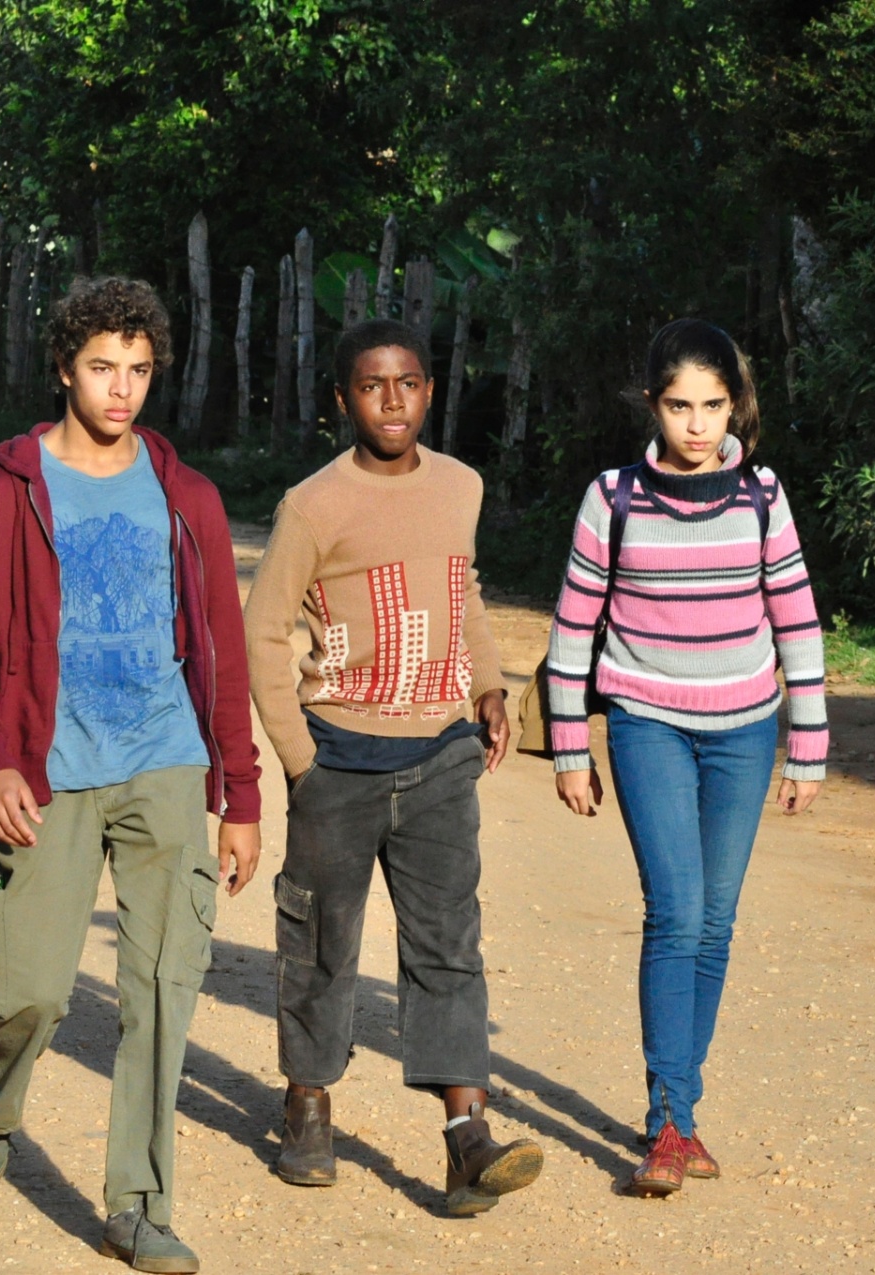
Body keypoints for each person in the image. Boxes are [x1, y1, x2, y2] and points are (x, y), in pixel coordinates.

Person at [0, 276, 262, 1274]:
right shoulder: (6, 492)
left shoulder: (187, 498)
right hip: (50, 770)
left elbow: (225, 652)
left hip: (165, 760)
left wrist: (240, 795)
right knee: (31, 991)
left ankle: (138, 1206)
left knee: (165, 988)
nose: (121, 390)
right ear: (65, 369)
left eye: (139, 371)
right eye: (102, 369)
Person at [241, 318, 543, 1216]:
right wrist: (302, 762)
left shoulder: (460, 485)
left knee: (449, 944)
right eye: (372, 386)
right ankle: (307, 1102)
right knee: (323, 943)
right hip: (341, 757)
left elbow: (466, 589)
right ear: (343, 399)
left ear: (430, 390)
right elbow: (262, 634)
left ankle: (466, 1136)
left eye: (408, 383)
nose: (393, 401)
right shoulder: (313, 505)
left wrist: (487, 688)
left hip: (443, 756)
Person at [545, 318, 828, 1197]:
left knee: (716, 919)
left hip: (745, 726)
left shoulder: (764, 496)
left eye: (712, 405)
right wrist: (568, 744)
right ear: (651, 402)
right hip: (645, 723)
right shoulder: (613, 496)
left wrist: (806, 748)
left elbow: (797, 619)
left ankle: (679, 1106)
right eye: (679, 405)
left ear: (734, 404)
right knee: (674, 912)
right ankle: (671, 1119)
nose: (697, 424)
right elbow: (572, 626)